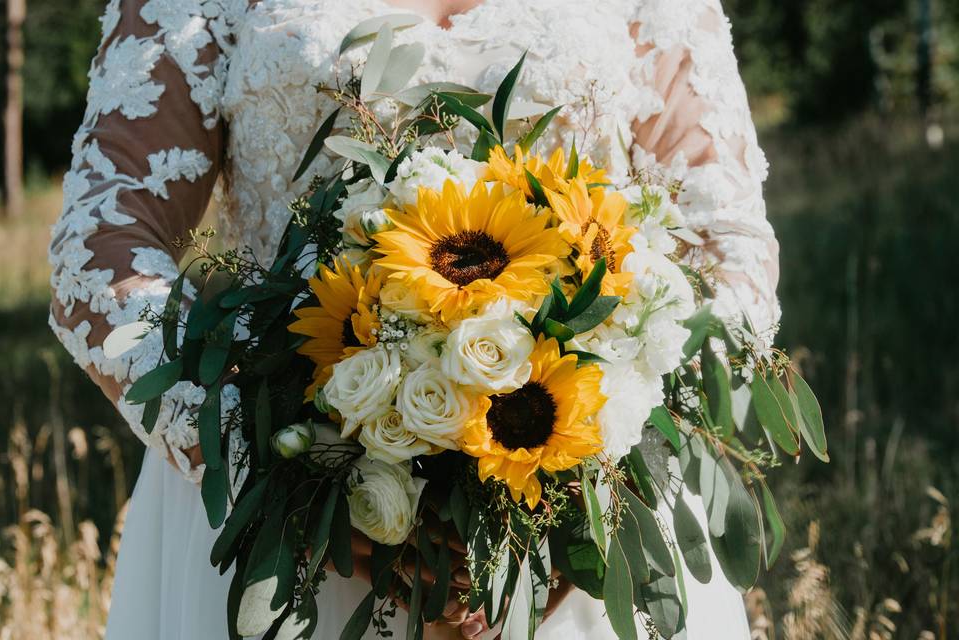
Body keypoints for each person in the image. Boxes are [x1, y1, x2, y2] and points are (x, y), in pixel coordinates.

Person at [48, 0, 780, 637]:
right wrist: (267, 464)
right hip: (294, 533)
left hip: (580, 519)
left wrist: (593, 479)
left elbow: (726, 246)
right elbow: (102, 249)